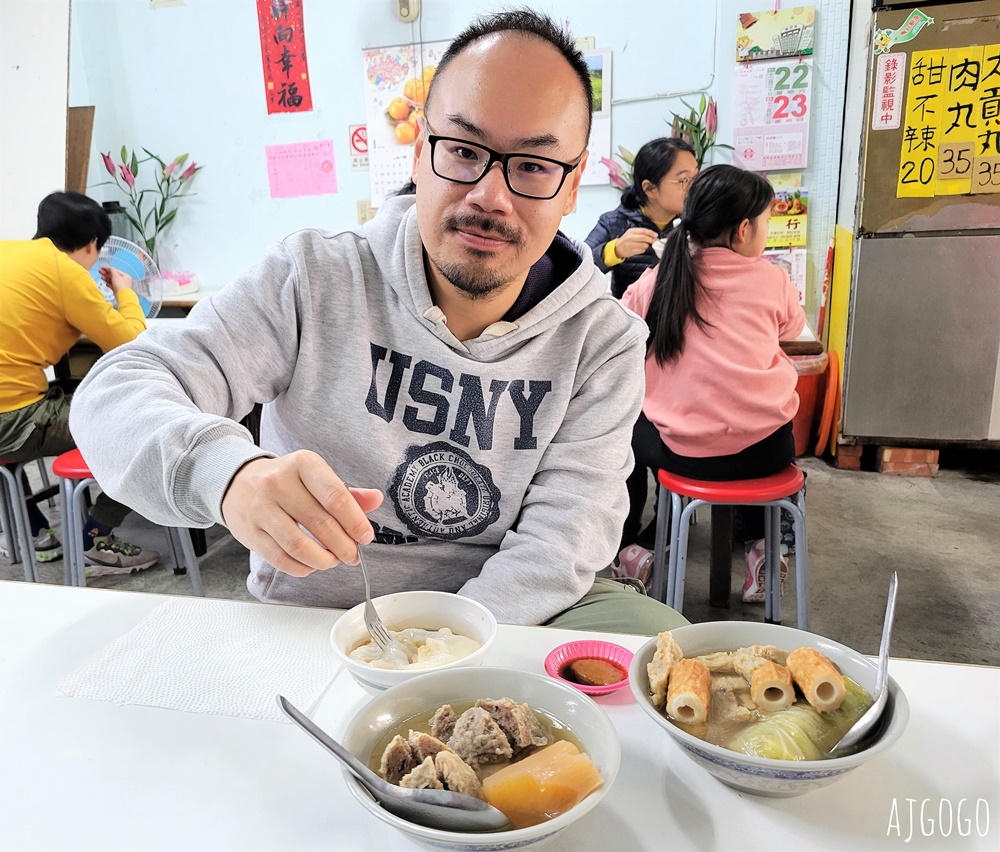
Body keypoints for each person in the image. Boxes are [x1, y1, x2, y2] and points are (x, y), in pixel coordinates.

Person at [70, 10, 688, 633]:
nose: (489, 196)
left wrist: (440, 652)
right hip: (320, 618)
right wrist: (228, 474)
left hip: (513, 618)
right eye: (464, 150)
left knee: (683, 672)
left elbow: (562, 543)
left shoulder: (602, 341)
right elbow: (117, 389)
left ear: (573, 183)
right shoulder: (314, 276)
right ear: (420, 152)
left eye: (532, 166)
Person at [620, 165, 806, 602]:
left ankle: (634, 547)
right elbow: (793, 328)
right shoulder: (772, 278)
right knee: (750, 418)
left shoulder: (660, 277)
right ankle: (762, 547)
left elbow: (623, 321)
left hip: (685, 456)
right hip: (766, 452)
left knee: (624, 430)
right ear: (744, 230)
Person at [0, 191, 160, 573]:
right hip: (15, 420)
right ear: (92, 245)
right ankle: (95, 538)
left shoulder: (8, 252)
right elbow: (130, 343)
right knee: (146, 425)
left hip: (10, 411)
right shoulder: (65, 271)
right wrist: (125, 293)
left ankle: (36, 533)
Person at [585, 137, 697, 299]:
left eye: (696, 177)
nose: (694, 187)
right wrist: (615, 250)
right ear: (650, 189)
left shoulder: (695, 223)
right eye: (684, 180)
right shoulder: (613, 222)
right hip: (631, 320)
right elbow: (577, 270)